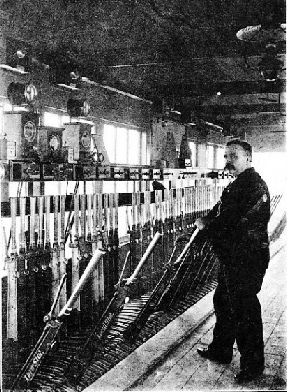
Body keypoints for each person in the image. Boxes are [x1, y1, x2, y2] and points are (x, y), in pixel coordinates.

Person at [195, 139, 270, 383]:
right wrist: (205, 221)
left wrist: (206, 227)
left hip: (246, 257)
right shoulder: (238, 184)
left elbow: (228, 221)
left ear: (248, 157)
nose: (228, 161)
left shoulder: (251, 186)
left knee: (244, 309)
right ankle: (221, 349)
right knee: (224, 301)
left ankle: (253, 366)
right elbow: (219, 211)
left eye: (234, 156)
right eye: (226, 156)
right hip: (234, 255)